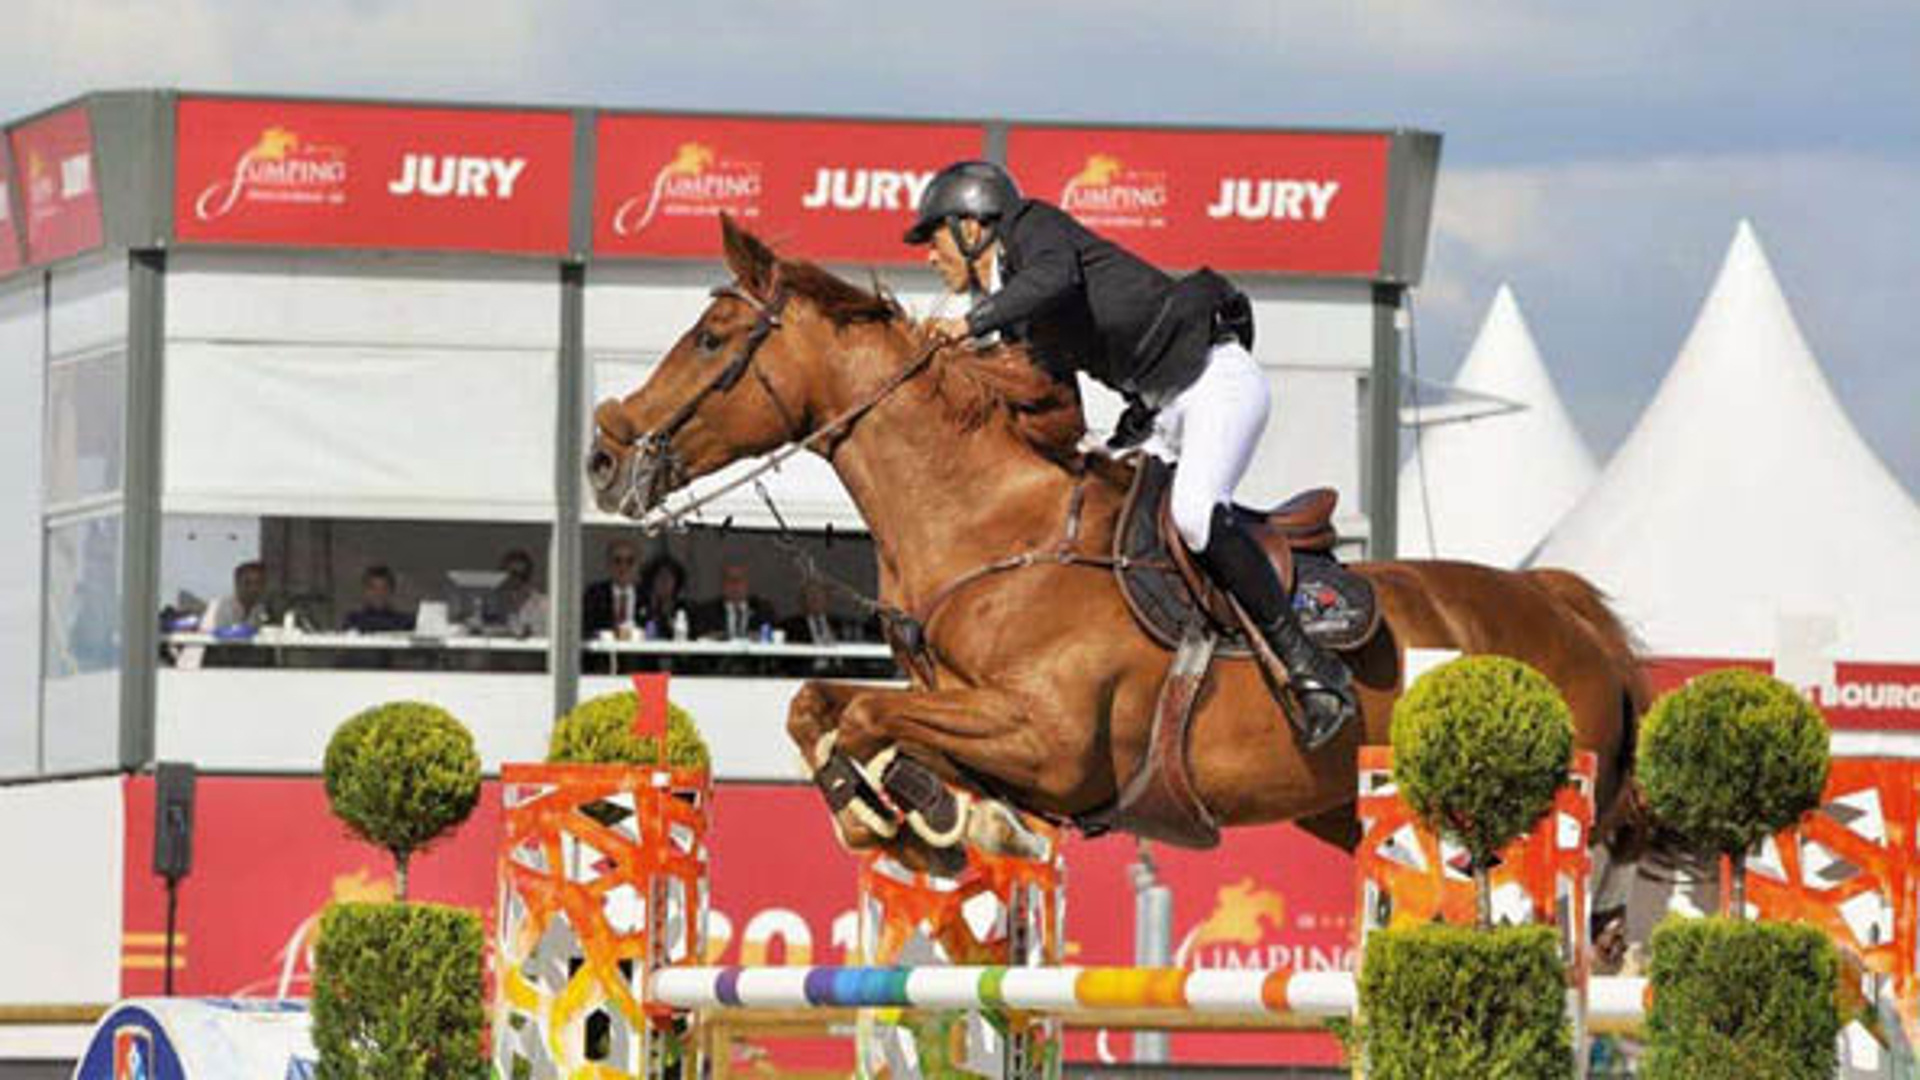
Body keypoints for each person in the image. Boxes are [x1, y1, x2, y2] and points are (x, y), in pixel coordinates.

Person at [907, 161, 1355, 747]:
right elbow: (1053, 395)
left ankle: (1312, 669)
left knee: (1194, 515)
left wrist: (971, 325)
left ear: (972, 225)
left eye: (933, 236)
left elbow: (1056, 278)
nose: (928, 255)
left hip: (1215, 382)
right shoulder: (1015, 311)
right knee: (1104, 511)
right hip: (1161, 411)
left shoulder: (1032, 228)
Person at [693, 560, 776, 642]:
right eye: (729, 580)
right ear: (722, 585)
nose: (735, 584)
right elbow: (700, 638)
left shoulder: (763, 610)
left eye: (740, 580)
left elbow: (773, 636)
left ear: (748, 584)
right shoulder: (707, 611)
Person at [582, 540, 644, 639]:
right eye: (617, 561)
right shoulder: (594, 594)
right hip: (603, 653)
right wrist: (610, 635)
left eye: (630, 561)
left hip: (638, 653)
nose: (623, 567)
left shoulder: (647, 595)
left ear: (638, 565)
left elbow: (657, 633)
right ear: (608, 564)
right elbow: (584, 629)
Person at [198, 559, 273, 632]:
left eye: (259, 583)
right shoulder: (220, 607)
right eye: (247, 583)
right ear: (236, 583)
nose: (254, 589)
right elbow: (205, 637)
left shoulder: (260, 610)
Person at [490, 548, 548, 638]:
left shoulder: (543, 603)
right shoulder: (495, 601)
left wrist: (528, 632)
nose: (510, 579)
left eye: (517, 574)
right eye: (505, 572)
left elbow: (546, 635)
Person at [341, 565, 414, 633]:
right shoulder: (353, 621)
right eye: (373, 588)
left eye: (384, 588)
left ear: (392, 591)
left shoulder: (406, 622)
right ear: (365, 591)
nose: (378, 593)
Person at [637, 553, 692, 640]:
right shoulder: (641, 607)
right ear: (652, 580)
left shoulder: (685, 609)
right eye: (660, 576)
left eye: (669, 577)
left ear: (677, 581)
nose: (664, 581)